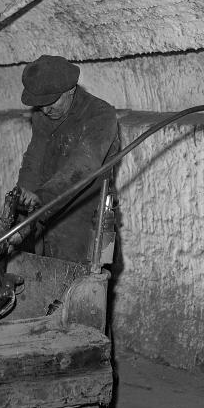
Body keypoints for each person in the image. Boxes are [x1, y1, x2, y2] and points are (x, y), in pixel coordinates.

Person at [13, 54, 120, 263]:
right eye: (39, 104)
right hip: (44, 209)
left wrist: (41, 200)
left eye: (51, 101)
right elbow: (34, 160)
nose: (45, 109)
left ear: (70, 90)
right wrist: (22, 198)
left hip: (86, 214)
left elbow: (82, 166)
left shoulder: (100, 115)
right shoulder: (42, 117)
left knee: (83, 287)